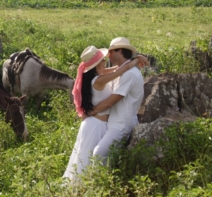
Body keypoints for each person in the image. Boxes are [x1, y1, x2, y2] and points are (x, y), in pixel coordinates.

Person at [63, 44, 148, 181]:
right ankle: (85, 189)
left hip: (98, 123)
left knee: (86, 159)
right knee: (87, 160)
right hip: (96, 124)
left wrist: (136, 58)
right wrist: (136, 60)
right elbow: (121, 70)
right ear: (96, 64)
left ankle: (87, 188)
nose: (105, 61)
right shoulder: (99, 80)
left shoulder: (96, 76)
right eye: (102, 60)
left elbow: (117, 68)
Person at [89, 37, 145, 165]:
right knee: (105, 157)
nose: (108, 56)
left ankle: (98, 183)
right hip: (114, 122)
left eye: (111, 52)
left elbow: (111, 101)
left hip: (121, 124)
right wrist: (137, 59)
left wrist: (91, 112)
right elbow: (100, 71)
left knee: (99, 154)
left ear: (120, 51)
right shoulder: (121, 70)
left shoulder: (129, 74)